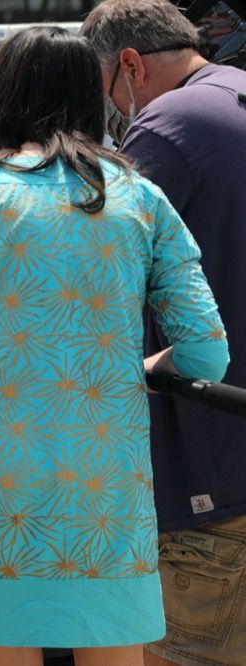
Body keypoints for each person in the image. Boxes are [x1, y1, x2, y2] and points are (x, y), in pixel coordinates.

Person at [0, 26, 229, 666]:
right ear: (96, 98)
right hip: (104, 494)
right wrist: (143, 365)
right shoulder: (140, 196)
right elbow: (206, 353)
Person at [80, 3, 246, 663]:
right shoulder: (233, 96)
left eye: (106, 92)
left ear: (129, 66)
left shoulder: (168, 126)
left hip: (208, 482)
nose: (115, 113)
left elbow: (91, 282)